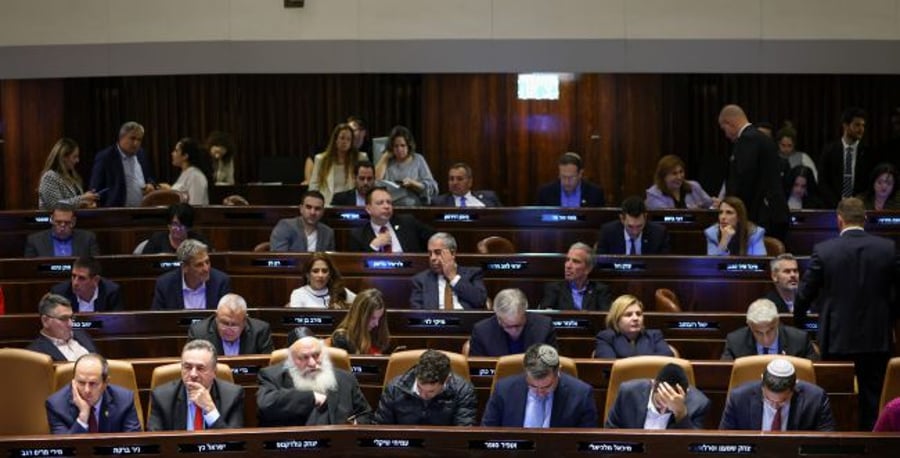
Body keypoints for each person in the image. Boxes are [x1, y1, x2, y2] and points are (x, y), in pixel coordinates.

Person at [794, 197, 898, 430]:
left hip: (836, 339)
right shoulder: (887, 249)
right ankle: (870, 448)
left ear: (839, 220)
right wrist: (889, 319)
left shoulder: (824, 250)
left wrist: (801, 329)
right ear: (865, 219)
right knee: (873, 399)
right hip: (876, 339)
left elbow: (804, 295)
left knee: (834, 397)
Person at [256, 336, 372, 426]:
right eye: (304, 357)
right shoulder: (272, 377)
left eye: (316, 355)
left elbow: (365, 414)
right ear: (290, 360)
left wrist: (353, 426)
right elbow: (265, 404)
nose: (312, 363)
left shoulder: (345, 378)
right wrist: (310, 397)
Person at [718, 105, 789, 240]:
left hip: (760, 217)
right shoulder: (762, 139)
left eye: (724, 129)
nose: (725, 135)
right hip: (774, 214)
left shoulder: (747, 139)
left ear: (729, 123)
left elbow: (743, 181)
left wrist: (730, 206)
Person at [482, 344, 597, 428]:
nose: (540, 392)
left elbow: (585, 444)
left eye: (547, 386)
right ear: (525, 372)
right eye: (533, 386)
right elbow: (487, 434)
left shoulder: (581, 395)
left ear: (558, 372)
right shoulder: (503, 390)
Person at [147, 339, 245, 431]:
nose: (193, 374)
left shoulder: (232, 396)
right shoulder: (162, 397)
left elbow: (235, 443)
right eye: (187, 367)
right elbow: (156, 443)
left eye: (200, 368)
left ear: (214, 371)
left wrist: (210, 410)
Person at [719, 358, 835, 431]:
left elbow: (825, 443)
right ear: (762, 384)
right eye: (769, 399)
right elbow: (725, 442)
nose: (775, 406)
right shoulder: (739, 398)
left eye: (783, 401)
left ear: (794, 387)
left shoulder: (816, 399)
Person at [374, 349, 477, 426]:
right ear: (416, 374)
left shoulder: (463, 391)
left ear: (446, 380)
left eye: (431, 391)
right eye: (419, 388)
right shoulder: (394, 388)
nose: (423, 395)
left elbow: (463, 433)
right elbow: (380, 428)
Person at [46, 353, 142, 434]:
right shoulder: (56, 406)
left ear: (106, 383)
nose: (87, 390)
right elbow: (65, 450)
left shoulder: (124, 400)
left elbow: (134, 445)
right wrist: (83, 417)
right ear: (73, 381)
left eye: (93, 383)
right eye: (81, 383)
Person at [605, 363, 710, 429]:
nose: (663, 410)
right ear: (653, 385)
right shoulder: (628, 393)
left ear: (685, 393)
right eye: (659, 403)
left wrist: (681, 412)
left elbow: (692, 450)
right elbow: (610, 433)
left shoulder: (699, 404)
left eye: (670, 407)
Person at [720, 299, 818, 360]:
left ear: (777, 322)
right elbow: (726, 377)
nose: (766, 339)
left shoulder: (799, 340)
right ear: (750, 326)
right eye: (758, 332)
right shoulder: (735, 342)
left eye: (770, 330)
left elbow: (813, 375)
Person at [469, 289, 557, 357]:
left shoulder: (544, 327)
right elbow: (477, 371)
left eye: (518, 326)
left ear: (524, 312)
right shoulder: (481, 331)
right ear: (498, 318)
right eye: (508, 326)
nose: (514, 331)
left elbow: (552, 365)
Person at [410, 232, 487, 310]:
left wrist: (452, 277)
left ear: (452, 253)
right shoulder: (421, 280)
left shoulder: (473, 273)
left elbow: (480, 301)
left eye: (438, 252)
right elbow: (417, 313)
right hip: (435, 320)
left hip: (466, 320)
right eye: (430, 253)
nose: (432, 258)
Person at [150, 239, 231, 310]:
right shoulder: (165, 284)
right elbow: (157, 321)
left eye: (207, 262)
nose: (206, 269)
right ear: (185, 267)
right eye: (199, 265)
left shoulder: (221, 282)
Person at [89, 121, 156, 207]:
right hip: (116, 213)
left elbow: (149, 177)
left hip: (142, 211)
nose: (136, 143)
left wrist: (151, 184)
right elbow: (95, 188)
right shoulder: (106, 157)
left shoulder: (142, 154)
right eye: (132, 138)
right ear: (121, 137)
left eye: (139, 140)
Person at [347, 186, 434, 252]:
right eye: (380, 203)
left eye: (389, 202)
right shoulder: (358, 235)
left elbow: (435, 237)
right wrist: (374, 246)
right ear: (368, 209)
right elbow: (357, 264)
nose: (386, 206)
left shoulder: (408, 222)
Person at [818, 107, 874, 208]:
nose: (861, 129)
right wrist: (837, 204)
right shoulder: (829, 150)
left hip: (858, 207)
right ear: (845, 126)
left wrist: (856, 201)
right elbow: (822, 181)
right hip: (832, 206)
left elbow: (870, 183)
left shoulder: (867, 153)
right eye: (857, 125)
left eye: (863, 125)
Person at [188, 293, 274, 355]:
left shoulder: (260, 331)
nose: (228, 329)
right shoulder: (198, 332)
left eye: (234, 325)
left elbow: (267, 368)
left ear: (245, 320)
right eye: (224, 323)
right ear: (216, 316)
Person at [594, 294, 674, 359]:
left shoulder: (654, 335)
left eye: (638, 314)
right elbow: (609, 366)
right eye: (628, 315)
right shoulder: (606, 338)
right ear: (616, 318)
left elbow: (667, 359)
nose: (635, 318)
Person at [375, 125, 438, 205]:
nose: (399, 149)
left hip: (414, 206)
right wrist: (385, 157)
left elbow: (433, 187)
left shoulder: (418, 159)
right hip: (391, 206)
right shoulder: (388, 160)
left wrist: (413, 184)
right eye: (396, 146)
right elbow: (377, 180)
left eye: (402, 145)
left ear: (409, 146)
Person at [539, 242, 612, 311]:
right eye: (567, 260)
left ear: (588, 269)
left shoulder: (600, 291)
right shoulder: (554, 289)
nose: (568, 266)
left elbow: (605, 318)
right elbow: (545, 315)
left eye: (576, 261)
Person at [27, 293, 97, 362]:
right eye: (64, 318)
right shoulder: (34, 354)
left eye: (71, 317)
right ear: (45, 321)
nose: (71, 324)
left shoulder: (81, 334)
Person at [309, 123, 368, 205]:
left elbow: (366, 182)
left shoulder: (360, 158)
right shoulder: (321, 159)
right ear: (335, 140)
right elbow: (314, 185)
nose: (345, 142)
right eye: (342, 138)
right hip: (327, 204)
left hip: (351, 205)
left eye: (348, 139)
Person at [37, 137, 100, 210]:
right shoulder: (50, 176)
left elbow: (72, 204)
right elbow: (55, 205)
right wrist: (82, 198)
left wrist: (86, 204)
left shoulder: (72, 176)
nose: (77, 160)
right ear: (63, 157)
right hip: (55, 221)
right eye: (75, 157)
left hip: (73, 220)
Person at [596, 195, 670, 255]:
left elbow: (662, 266)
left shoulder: (659, 234)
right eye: (630, 226)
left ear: (645, 217)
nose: (635, 232)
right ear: (622, 219)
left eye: (639, 226)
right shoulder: (608, 232)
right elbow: (601, 264)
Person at [269, 190, 335, 252]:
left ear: (323, 212)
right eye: (308, 207)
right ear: (301, 209)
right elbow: (279, 258)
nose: (312, 212)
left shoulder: (328, 233)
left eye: (317, 209)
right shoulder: (285, 227)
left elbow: (329, 260)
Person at [50, 256, 123, 312]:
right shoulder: (60, 293)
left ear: (96, 280)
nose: (75, 283)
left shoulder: (111, 292)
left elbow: (116, 323)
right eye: (73, 276)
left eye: (81, 278)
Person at [24, 203, 100, 258]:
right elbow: (30, 269)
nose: (62, 226)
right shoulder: (35, 240)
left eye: (67, 222)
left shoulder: (88, 238)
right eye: (58, 222)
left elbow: (95, 267)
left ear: (73, 221)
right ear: (52, 220)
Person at [330, 289, 392, 355]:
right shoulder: (341, 339)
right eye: (372, 318)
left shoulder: (375, 332)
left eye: (379, 318)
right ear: (360, 317)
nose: (376, 323)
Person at [288, 252, 356, 308]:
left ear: (330, 274)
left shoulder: (339, 290)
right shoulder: (298, 294)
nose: (320, 275)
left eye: (324, 271)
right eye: (315, 271)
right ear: (307, 274)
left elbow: (362, 303)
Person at [644, 154, 714, 210]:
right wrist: (691, 212)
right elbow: (666, 217)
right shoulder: (653, 194)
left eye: (681, 172)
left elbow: (710, 205)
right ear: (663, 176)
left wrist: (714, 204)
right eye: (674, 173)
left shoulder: (694, 186)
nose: (679, 177)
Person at [536, 152, 605, 207]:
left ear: (580, 174)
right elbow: (540, 219)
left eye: (571, 177)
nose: (567, 182)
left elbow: (599, 220)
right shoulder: (545, 192)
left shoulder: (595, 193)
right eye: (563, 177)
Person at [158, 137, 212, 205]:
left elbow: (196, 205)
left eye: (176, 151)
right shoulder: (186, 173)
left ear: (185, 156)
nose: (172, 153)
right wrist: (169, 191)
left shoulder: (195, 176)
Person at [141, 203, 212, 254]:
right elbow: (144, 264)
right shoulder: (157, 240)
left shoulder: (198, 241)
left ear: (188, 227)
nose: (178, 229)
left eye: (182, 225)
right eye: (174, 224)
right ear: (168, 225)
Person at [431, 162, 502, 207]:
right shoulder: (439, 202)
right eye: (451, 179)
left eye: (460, 179)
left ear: (470, 181)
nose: (454, 183)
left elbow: (502, 218)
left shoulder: (489, 197)